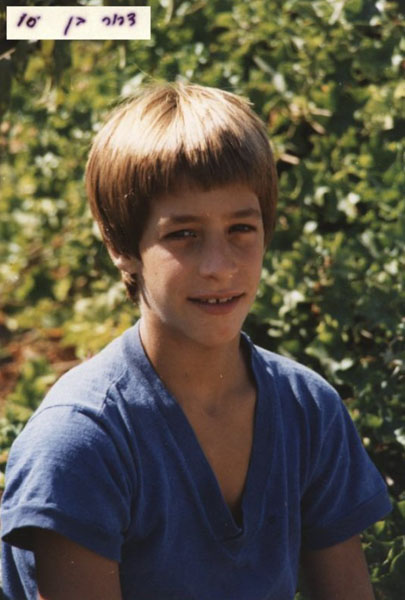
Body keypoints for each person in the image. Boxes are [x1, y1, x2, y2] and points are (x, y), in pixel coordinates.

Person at [1, 82, 391, 600]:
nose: (219, 266)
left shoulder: (307, 409)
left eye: (241, 228)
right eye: (183, 234)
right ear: (120, 244)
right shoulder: (82, 441)